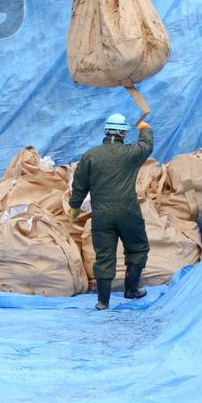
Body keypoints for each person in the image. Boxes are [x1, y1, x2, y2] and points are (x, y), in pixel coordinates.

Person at [69, 113, 153, 311]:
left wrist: (74, 208)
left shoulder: (91, 155)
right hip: (128, 213)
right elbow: (147, 145)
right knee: (137, 248)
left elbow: (79, 185)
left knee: (104, 256)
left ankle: (103, 302)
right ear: (123, 133)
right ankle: (131, 290)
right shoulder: (131, 153)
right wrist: (144, 128)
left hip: (102, 216)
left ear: (106, 131)